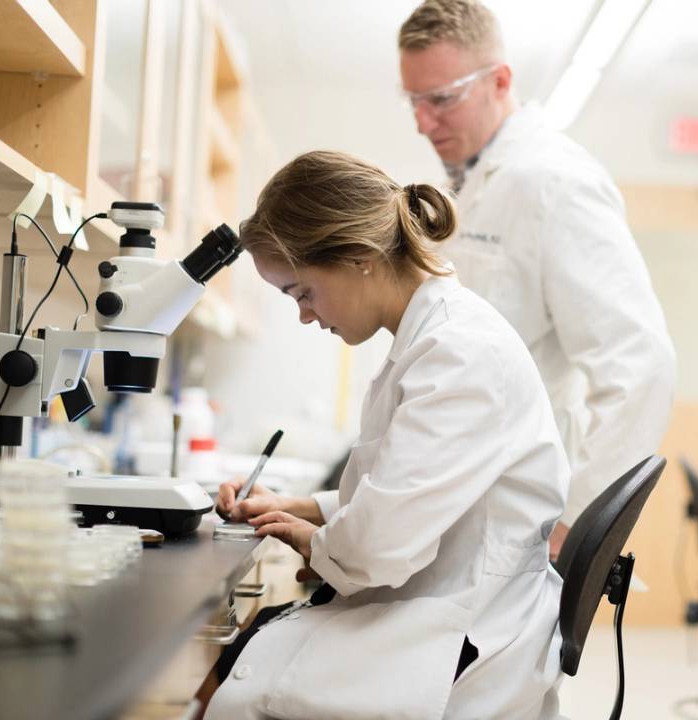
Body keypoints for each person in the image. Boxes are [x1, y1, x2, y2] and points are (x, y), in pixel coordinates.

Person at [203, 150, 569, 720]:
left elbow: (378, 546)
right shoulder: (432, 339)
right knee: (241, 658)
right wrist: (300, 509)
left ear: (358, 257)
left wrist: (311, 539)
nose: (305, 316)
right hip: (440, 604)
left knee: (235, 681)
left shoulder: (458, 353)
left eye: (302, 292)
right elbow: (403, 493)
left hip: (463, 636)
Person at [398, 0, 676, 557]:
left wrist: (580, 526)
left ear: (500, 80)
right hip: (462, 504)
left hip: (521, 523)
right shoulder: (475, 185)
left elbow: (640, 365)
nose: (422, 122)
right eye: (414, 101)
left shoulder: (556, 182)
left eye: (441, 99)